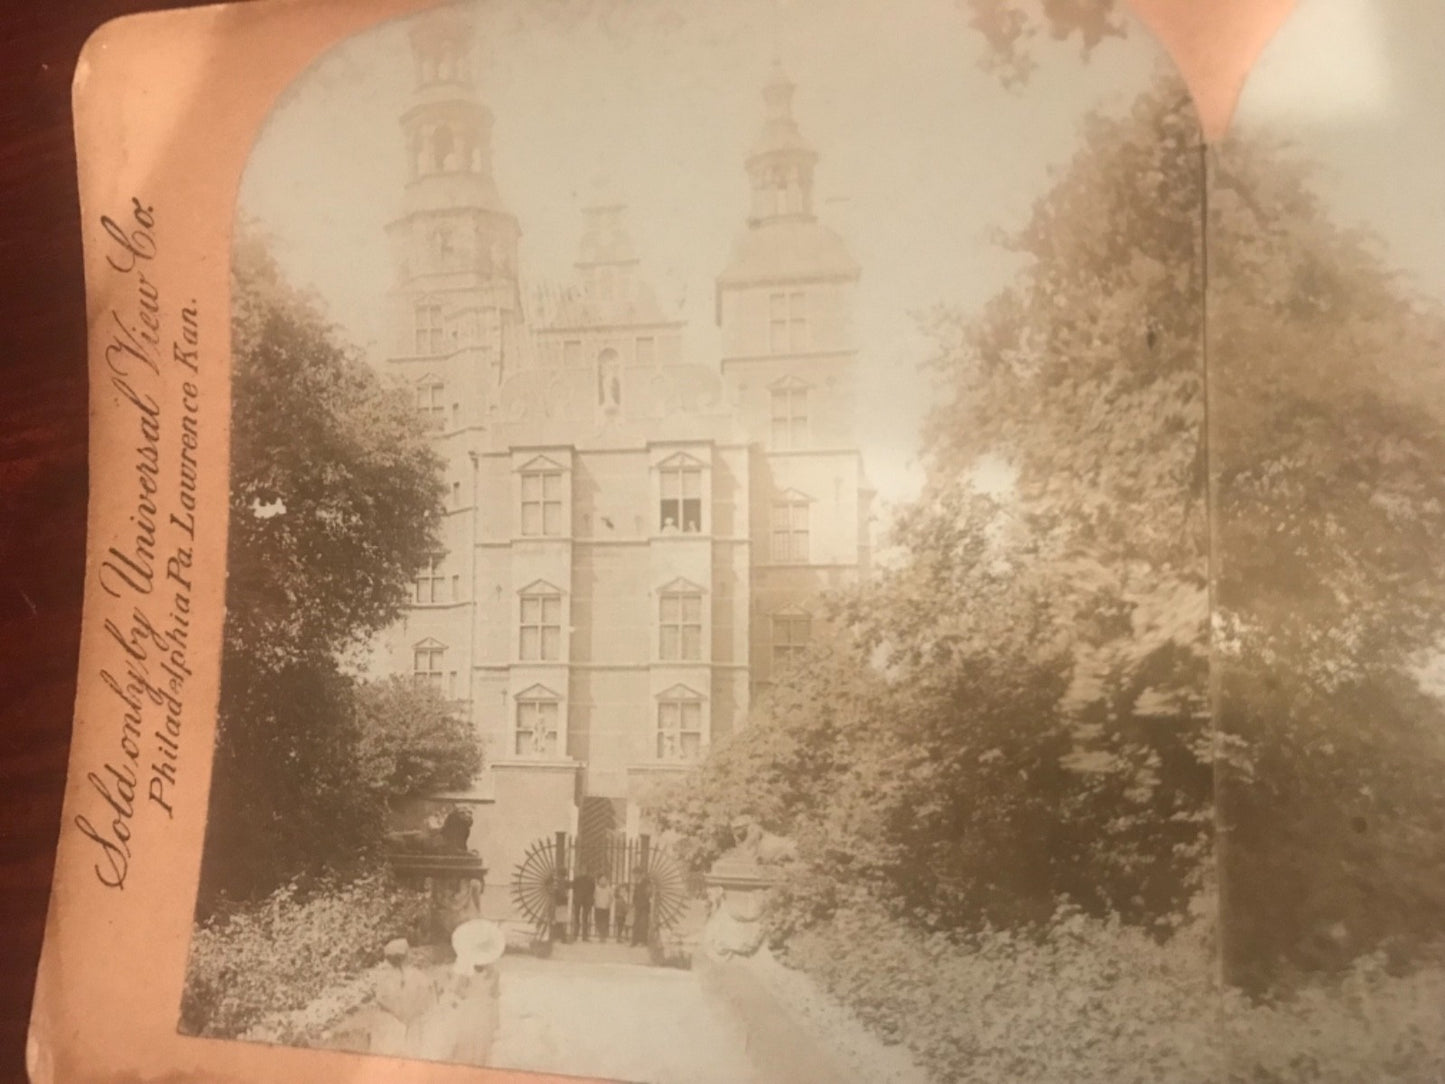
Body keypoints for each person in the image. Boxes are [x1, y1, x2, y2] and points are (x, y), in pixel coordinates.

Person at [421, 918, 504, 1066]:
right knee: (482, 1049)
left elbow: (457, 992)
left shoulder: (466, 970)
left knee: (466, 1047)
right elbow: (495, 998)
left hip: (469, 1013)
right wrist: (495, 1023)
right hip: (485, 1013)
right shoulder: (494, 972)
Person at [372, 938, 436, 1057]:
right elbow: (430, 1004)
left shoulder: (384, 980)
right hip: (413, 1027)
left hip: (393, 1029)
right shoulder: (420, 977)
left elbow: (381, 1001)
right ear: (407, 955)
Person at [571, 868, 596, 942]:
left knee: (585, 918)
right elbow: (574, 888)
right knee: (576, 917)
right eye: (582, 870)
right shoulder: (577, 879)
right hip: (578, 900)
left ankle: (584, 936)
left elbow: (592, 890)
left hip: (586, 901)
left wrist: (590, 899)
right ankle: (575, 935)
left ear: (587, 871)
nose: (583, 872)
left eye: (585, 870)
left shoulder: (590, 880)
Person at [631, 875, 652, 947]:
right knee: (636, 923)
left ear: (639, 873)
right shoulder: (637, 883)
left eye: (635, 874)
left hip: (645, 906)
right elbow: (635, 894)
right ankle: (635, 941)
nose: (634, 876)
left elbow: (649, 893)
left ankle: (643, 941)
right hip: (638, 906)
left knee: (644, 923)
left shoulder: (646, 882)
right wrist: (634, 902)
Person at [593, 875, 613, 942]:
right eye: (601, 880)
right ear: (599, 881)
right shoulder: (596, 888)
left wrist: (609, 904)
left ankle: (603, 936)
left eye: (604, 880)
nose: (603, 881)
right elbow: (593, 897)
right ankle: (601, 934)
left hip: (605, 908)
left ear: (607, 881)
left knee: (605, 922)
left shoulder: (609, 888)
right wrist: (594, 903)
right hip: (598, 907)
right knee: (598, 921)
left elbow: (611, 898)